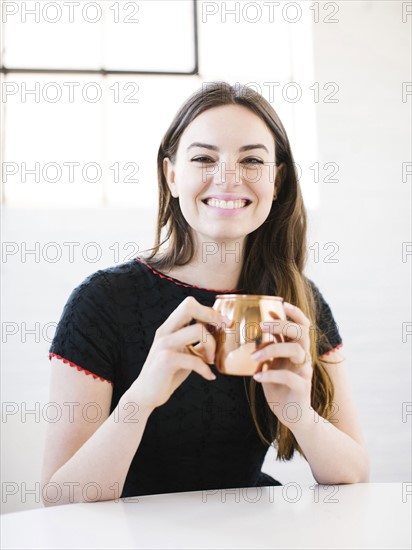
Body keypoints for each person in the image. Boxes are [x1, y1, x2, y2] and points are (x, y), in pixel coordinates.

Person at [41, 81, 369, 506]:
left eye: (252, 159)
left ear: (277, 179)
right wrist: (141, 398)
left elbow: (354, 474)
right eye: (203, 158)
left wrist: (298, 414)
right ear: (171, 175)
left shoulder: (297, 299)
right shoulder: (103, 301)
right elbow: (59, 499)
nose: (228, 178)